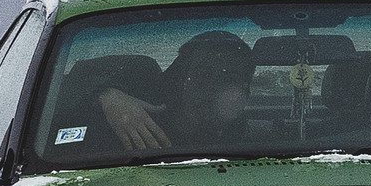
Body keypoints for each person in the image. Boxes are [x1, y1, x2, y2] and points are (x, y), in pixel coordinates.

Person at [74, 30, 260, 154]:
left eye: (230, 78)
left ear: (246, 93)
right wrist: (106, 96)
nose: (214, 87)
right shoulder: (131, 132)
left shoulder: (262, 146)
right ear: (181, 80)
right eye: (204, 74)